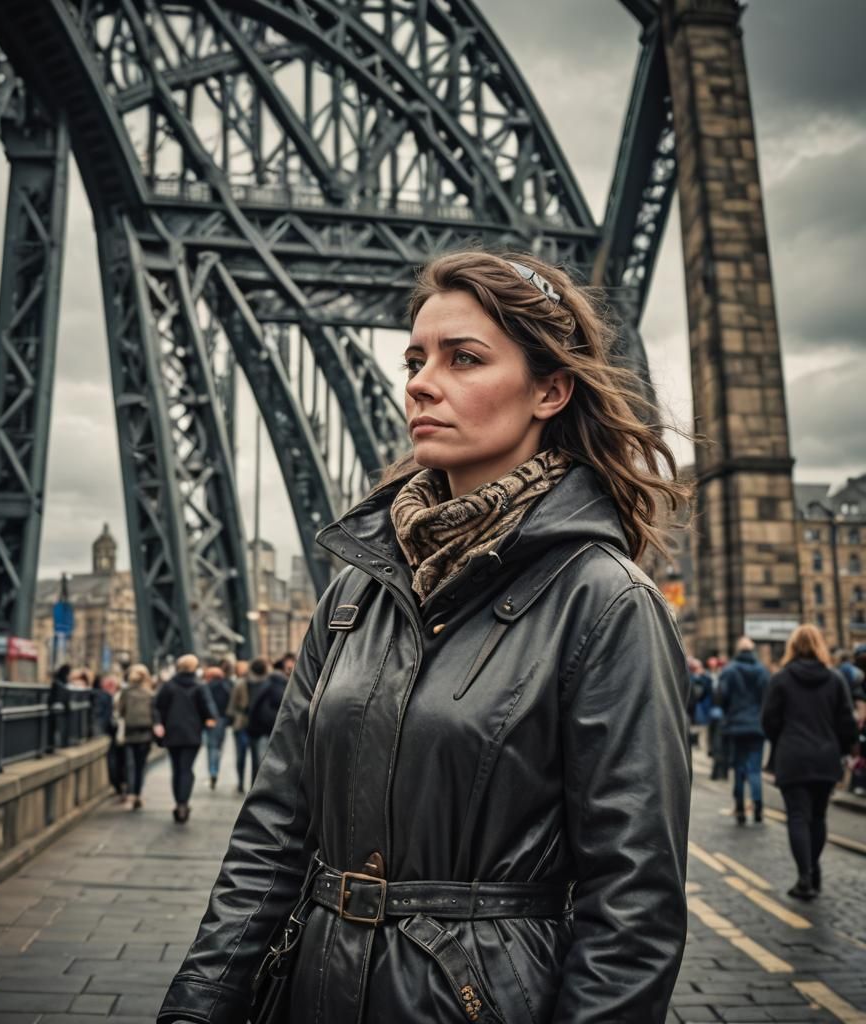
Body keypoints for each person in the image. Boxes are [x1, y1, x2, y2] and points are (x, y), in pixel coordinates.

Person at [158, 249, 691, 1024]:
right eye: (415, 358)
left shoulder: (605, 605)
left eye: (463, 358)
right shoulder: (357, 591)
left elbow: (635, 909)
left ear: (550, 389)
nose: (420, 381)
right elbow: (274, 833)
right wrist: (198, 1005)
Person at [762, 624, 857, 899]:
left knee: (797, 817)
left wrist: (783, 741)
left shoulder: (781, 680)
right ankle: (814, 872)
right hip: (826, 758)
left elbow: (768, 721)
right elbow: (847, 723)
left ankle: (804, 876)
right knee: (818, 817)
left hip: (793, 758)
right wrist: (839, 747)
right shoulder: (835, 679)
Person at [154, 655, 218, 823]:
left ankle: (178, 802)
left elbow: (158, 707)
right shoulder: (200, 686)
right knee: (187, 768)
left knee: (176, 769)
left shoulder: (169, 686)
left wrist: (159, 724)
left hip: (172, 733)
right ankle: (183, 803)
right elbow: (208, 708)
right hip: (192, 734)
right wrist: (210, 719)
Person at [718, 637, 770, 824]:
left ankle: (740, 808)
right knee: (755, 769)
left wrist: (729, 713)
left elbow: (722, 697)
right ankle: (758, 808)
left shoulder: (730, 670)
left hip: (736, 725)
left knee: (739, 768)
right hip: (757, 725)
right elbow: (768, 698)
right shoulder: (763, 671)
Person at [115, 664, 155, 810]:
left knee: (130, 765)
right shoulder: (150, 693)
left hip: (129, 734)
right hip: (145, 734)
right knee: (141, 766)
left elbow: (120, 711)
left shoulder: (126, 692)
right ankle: (138, 794)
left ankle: (131, 795)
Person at [244, 661, 287, 777]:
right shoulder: (278, 687)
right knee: (266, 765)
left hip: (261, 730)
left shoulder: (264, 685)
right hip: (269, 730)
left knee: (260, 763)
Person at [201, 665, 233, 790]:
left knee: (212, 747)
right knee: (219, 746)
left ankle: (213, 771)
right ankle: (215, 770)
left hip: (210, 720)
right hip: (223, 720)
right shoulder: (227, 686)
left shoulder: (206, 687)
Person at [225, 659, 253, 793]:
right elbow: (232, 706)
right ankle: (244, 783)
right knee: (252, 756)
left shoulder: (240, 683)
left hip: (243, 724)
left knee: (242, 755)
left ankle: (242, 783)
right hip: (245, 724)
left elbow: (231, 707)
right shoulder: (240, 684)